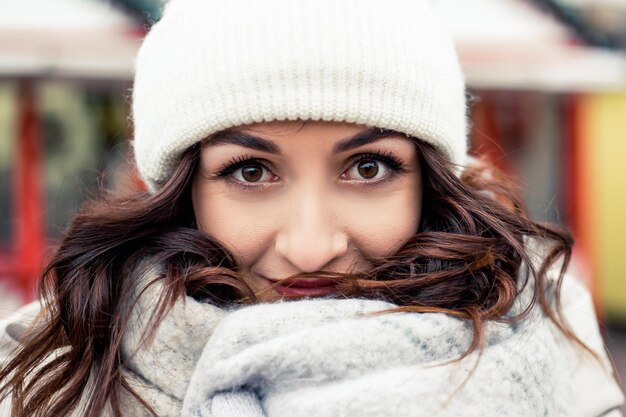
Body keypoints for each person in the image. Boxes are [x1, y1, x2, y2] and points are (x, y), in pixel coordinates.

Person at [0, 0, 624, 416]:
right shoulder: (53, 379)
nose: (310, 245)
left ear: (429, 182)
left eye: (368, 168)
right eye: (250, 171)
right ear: (182, 189)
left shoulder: (551, 342)